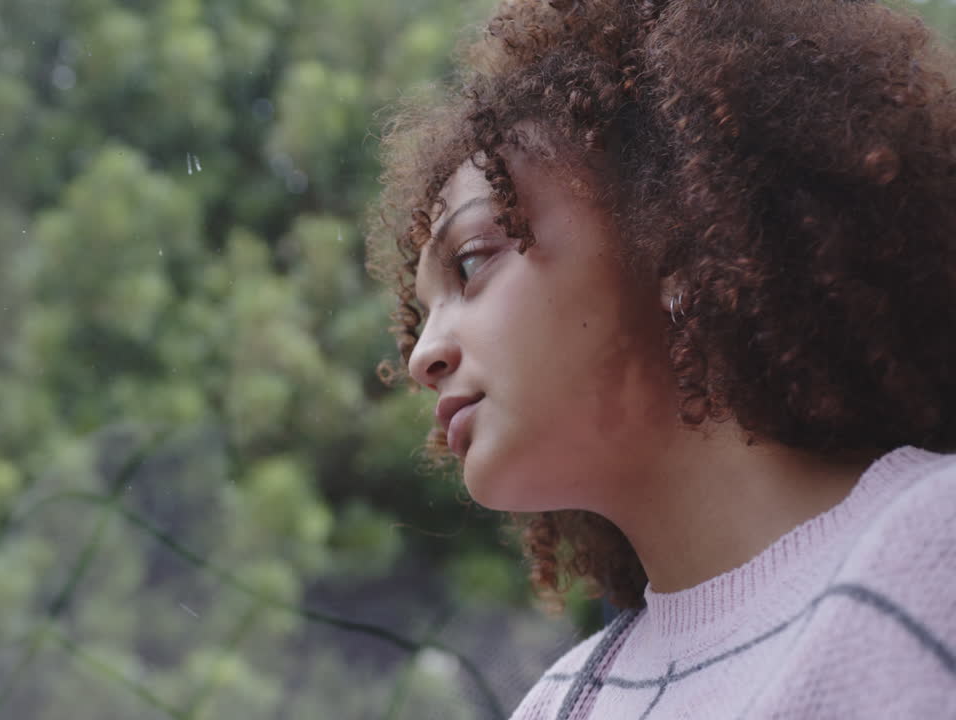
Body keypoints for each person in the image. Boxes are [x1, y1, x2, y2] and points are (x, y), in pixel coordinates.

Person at [367, 0, 956, 717]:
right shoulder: (559, 703)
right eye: (420, 316)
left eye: (471, 262)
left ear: (677, 239)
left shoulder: (933, 551)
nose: (424, 355)